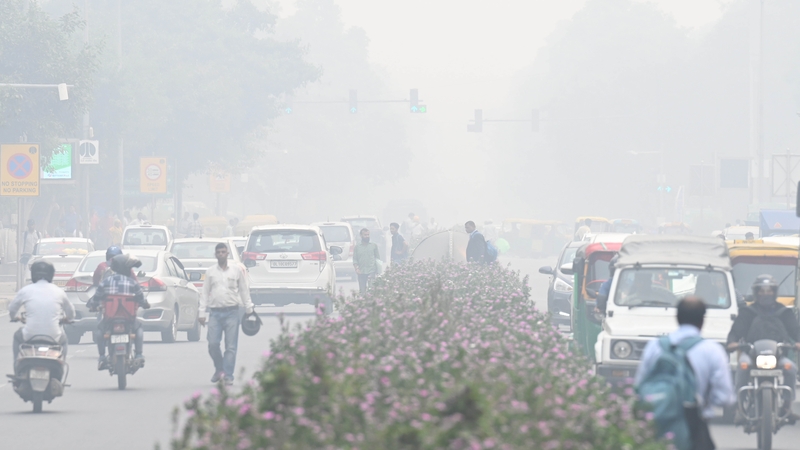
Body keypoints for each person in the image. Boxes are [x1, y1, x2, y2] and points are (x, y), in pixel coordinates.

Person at [635, 297, 735, 450]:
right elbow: (724, 397)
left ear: (677, 318)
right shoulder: (712, 350)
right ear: (703, 320)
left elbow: (639, 385)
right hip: (694, 427)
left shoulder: (655, 346)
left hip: (656, 426)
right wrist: (706, 404)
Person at [727, 275, 800, 422]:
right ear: (756, 292)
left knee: (791, 368)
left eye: (769, 291)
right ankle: (739, 406)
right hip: (752, 354)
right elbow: (736, 332)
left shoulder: (784, 312)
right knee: (742, 366)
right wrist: (732, 343)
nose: (765, 294)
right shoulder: (748, 312)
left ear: (774, 292)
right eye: (762, 291)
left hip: (778, 355)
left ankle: (786, 406)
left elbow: (796, 331)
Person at [199, 243, 253, 385]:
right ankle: (219, 368)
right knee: (213, 344)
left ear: (227, 254)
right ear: (216, 254)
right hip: (215, 313)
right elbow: (204, 293)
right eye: (219, 252)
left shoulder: (236, 271)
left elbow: (243, 290)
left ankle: (228, 375)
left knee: (230, 346)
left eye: (224, 252)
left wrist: (249, 308)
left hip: (232, 312)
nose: (221, 254)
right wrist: (201, 312)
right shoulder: (210, 272)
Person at [89, 254, 149, 369]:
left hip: (109, 319)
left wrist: (93, 306)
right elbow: (141, 299)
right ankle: (139, 354)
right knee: (139, 329)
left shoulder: (106, 282)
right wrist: (145, 304)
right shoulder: (132, 283)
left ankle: (102, 357)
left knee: (99, 331)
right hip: (129, 318)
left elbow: (96, 298)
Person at [9, 261, 75, 363]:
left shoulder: (26, 290)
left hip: (29, 335)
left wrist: (14, 317)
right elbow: (70, 312)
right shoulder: (59, 291)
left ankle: (17, 365)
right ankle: (61, 364)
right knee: (64, 339)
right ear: (51, 274)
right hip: (54, 336)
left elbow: (12, 308)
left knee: (17, 336)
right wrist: (68, 319)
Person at [353, 228, 381, 294]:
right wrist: (356, 269)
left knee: (371, 290)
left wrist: (378, 271)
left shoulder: (374, 246)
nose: (367, 236)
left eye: (368, 234)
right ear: (361, 235)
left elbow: (378, 259)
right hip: (361, 272)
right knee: (362, 291)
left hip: (371, 271)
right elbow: (355, 259)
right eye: (365, 235)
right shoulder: (357, 247)